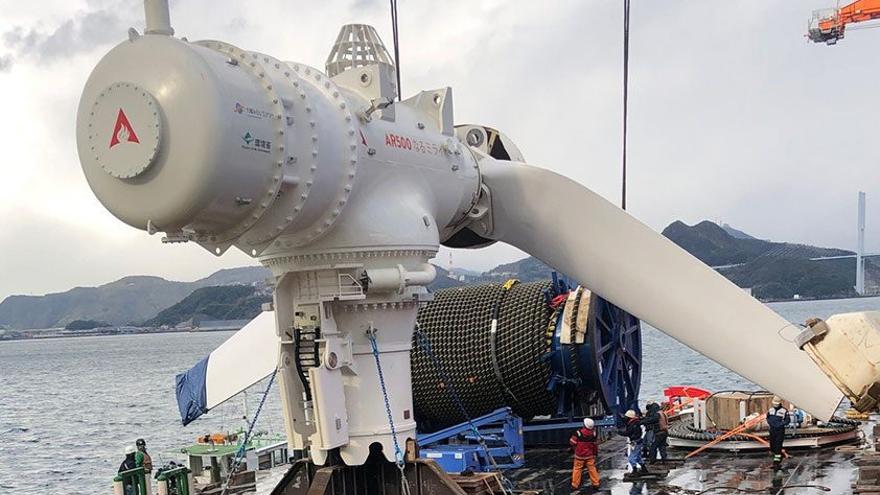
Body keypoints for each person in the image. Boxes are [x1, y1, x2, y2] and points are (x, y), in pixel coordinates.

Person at [569, 418, 600, 492]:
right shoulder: (594, 434)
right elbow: (595, 445)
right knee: (592, 469)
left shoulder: (578, 433)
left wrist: (574, 448)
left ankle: (575, 485)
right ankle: (596, 483)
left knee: (577, 469)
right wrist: (595, 453)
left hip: (579, 456)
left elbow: (572, 442)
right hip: (590, 456)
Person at [621, 409, 647, 474]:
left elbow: (628, 432)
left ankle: (634, 470)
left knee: (631, 457)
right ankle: (644, 468)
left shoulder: (632, 424)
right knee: (638, 457)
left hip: (635, 442)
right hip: (638, 441)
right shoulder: (635, 423)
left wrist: (620, 432)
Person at [766, 397, 790, 468]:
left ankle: (776, 462)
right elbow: (768, 418)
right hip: (772, 430)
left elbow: (787, 420)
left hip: (780, 431)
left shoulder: (784, 411)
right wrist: (771, 423)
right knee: (772, 446)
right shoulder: (771, 410)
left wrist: (780, 424)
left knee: (778, 447)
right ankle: (780, 455)